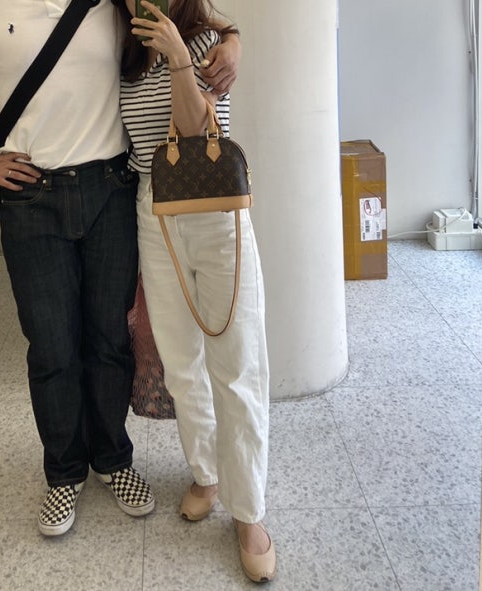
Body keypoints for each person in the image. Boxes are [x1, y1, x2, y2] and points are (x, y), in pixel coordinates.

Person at [0, 0, 241, 538]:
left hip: (111, 190)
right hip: (29, 198)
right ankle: (63, 473)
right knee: (52, 347)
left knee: (109, 339)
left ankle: (113, 459)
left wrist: (233, 41)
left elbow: (191, 18)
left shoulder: (111, 3)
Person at [111, 0, 274, 582]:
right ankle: (207, 473)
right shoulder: (124, 49)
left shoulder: (206, 43)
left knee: (237, 362)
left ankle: (249, 511)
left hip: (216, 211)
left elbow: (195, 128)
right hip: (153, 211)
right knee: (182, 362)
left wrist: (182, 55)